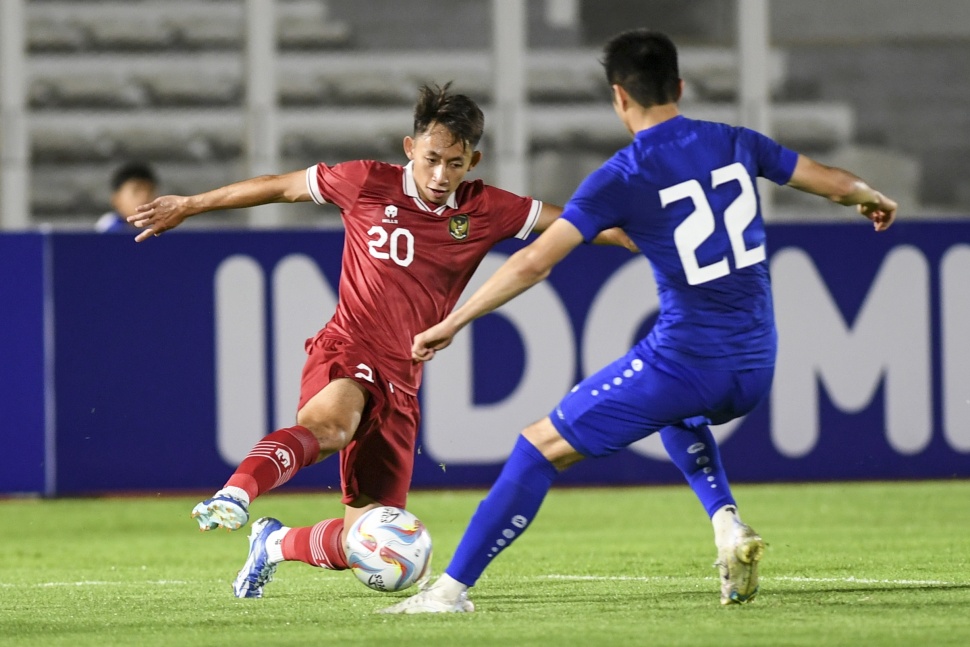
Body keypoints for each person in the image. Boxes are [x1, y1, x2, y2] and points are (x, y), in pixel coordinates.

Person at [379, 29, 897, 614]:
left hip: (686, 361)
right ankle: (726, 523)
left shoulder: (623, 175)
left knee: (537, 447)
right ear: (678, 86)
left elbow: (534, 261)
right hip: (757, 362)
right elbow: (828, 179)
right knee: (675, 415)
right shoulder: (734, 140)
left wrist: (456, 319)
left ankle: (449, 593)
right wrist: (868, 196)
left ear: (618, 98)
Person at [128, 83, 636, 599]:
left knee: (365, 543)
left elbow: (579, 225)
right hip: (348, 348)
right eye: (432, 159)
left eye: (455, 164)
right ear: (410, 148)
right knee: (329, 428)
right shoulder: (366, 181)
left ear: (473, 160)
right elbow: (279, 188)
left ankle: (274, 544)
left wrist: (649, 234)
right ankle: (237, 493)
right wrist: (191, 204)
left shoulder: (487, 209)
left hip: (403, 381)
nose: (441, 176)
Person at [95, 161, 159, 233]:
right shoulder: (106, 229)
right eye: (136, 191)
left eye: (150, 191)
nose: (144, 197)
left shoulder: (163, 228)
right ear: (117, 199)